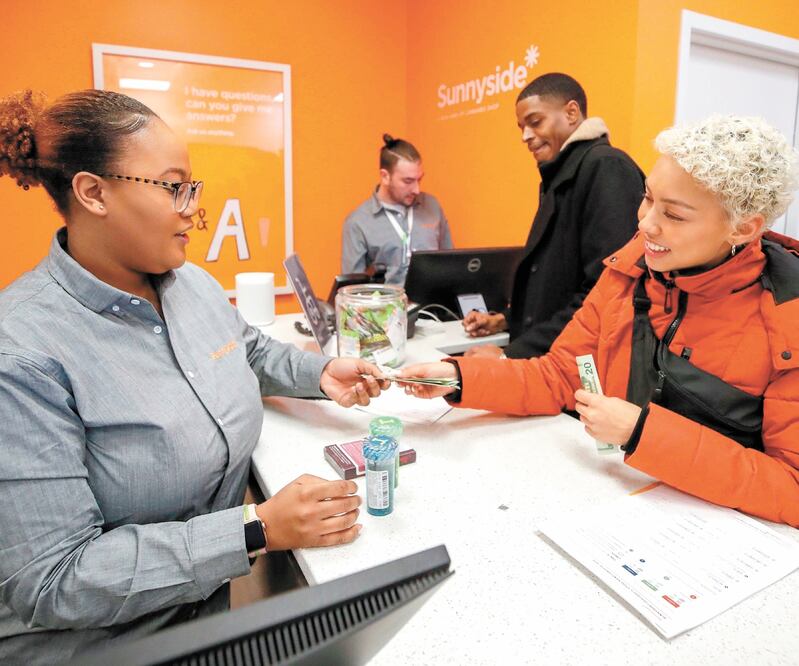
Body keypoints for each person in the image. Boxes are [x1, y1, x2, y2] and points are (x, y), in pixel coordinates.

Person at [0, 89, 389, 664]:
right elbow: (53, 578)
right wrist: (254, 529)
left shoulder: (194, 286)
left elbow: (248, 350)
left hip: (205, 618)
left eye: (193, 188)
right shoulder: (23, 353)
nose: (192, 208)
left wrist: (320, 371)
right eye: (173, 186)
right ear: (92, 192)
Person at [400, 115, 799, 527]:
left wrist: (642, 432)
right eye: (647, 198)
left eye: (675, 215)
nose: (645, 223)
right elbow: (557, 376)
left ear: (743, 228)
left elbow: (791, 488)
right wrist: (460, 377)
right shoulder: (630, 269)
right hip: (614, 508)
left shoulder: (787, 319)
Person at [463, 73, 644, 358]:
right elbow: (556, 280)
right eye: (522, 127)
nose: (525, 136)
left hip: (577, 367)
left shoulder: (606, 168)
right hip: (550, 359)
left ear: (572, 112)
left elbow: (604, 294)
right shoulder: (563, 174)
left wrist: (508, 356)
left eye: (535, 122)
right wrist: (505, 320)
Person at [341, 134, 452, 285]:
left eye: (419, 179)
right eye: (408, 181)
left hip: (432, 306)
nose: (416, 190)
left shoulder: (432, 206)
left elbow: (451, 264)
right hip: (388, 306)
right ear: (385, 176)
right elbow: (353, 291)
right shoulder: (358, 222)